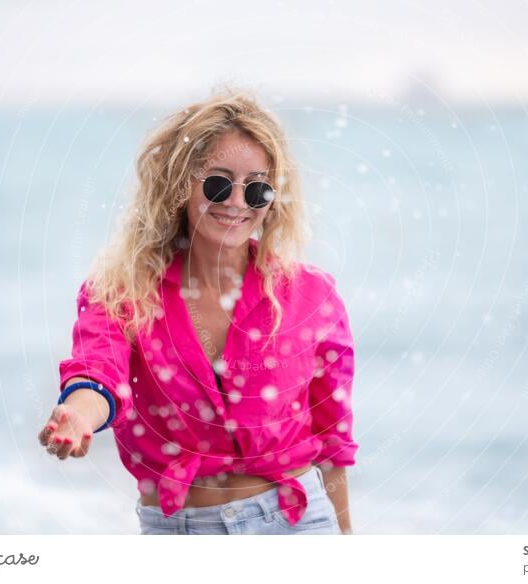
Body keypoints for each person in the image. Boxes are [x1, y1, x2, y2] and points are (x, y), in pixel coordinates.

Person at [37, 87, 359, 535]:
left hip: (299, 527)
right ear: (179, 185)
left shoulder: (312, 295)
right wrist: (77, 416)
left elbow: (332, 445)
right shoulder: (121, 291)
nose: (237, 202)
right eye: (218, 183)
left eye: (258, 188)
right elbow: (97, 374)